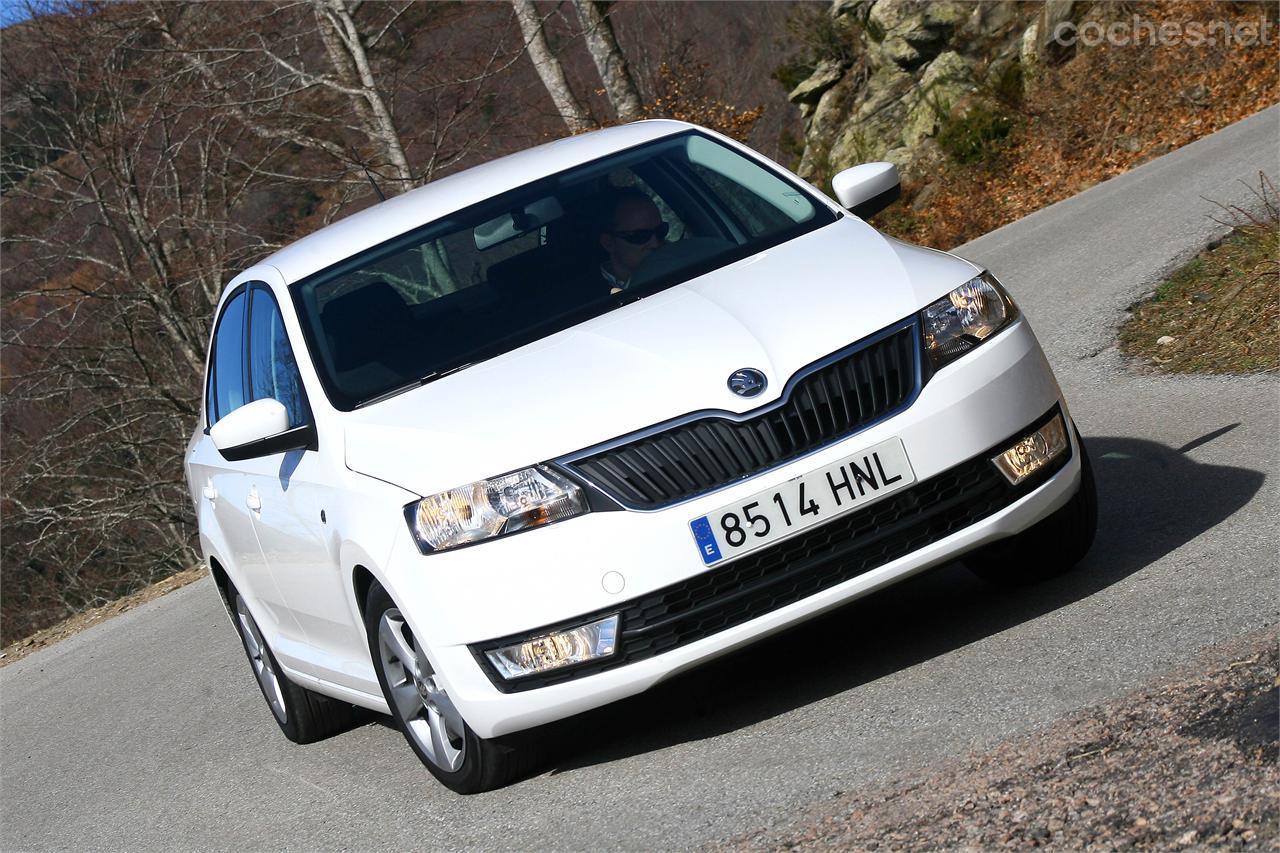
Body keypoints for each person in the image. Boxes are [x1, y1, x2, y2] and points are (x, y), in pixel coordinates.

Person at [596, 186, 670, 293]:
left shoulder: (685, 263)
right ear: (608, 243)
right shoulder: (585, 300)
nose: (655, 243)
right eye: (640, 236)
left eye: (660, 231)